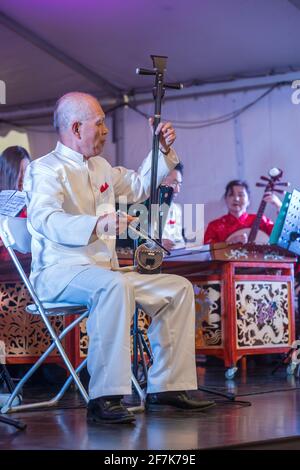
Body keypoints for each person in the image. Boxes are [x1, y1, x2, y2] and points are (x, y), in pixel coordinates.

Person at [23, 92, 214, 425]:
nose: (106, 130)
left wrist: (162, 151)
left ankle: (168, 386)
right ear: (76, 126)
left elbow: (140, 186)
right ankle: (104, 397)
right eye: (100, 122)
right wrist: (97, 224)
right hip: (57, 273)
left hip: (103, 273)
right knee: (112, 286)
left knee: (177, 288)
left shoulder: (101, 167)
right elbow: (44, 219)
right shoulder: (44, 170)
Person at [204, 179, 282, 244]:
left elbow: (281, 238)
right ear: (225, 199)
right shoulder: (214, 226)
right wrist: (228, 242)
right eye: (231, 195)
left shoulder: (261, 221)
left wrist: (279, 207)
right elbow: (207, 253)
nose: (236, 199)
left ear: (248, 200)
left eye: (240, 195)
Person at [160, 162, 185, 251]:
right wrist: (158, 243)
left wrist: (175, 246)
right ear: (160, 180)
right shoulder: (143, 205)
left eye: (180, 184)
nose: (177, 190)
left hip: (172, 260)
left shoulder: (176, 209)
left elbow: (180, 242)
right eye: (174, 183)